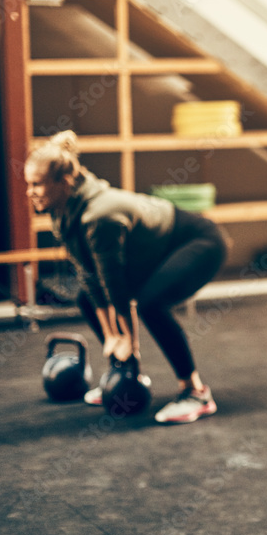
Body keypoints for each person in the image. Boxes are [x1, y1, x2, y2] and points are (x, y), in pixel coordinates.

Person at [25, 130, 226, 424]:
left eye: (36, 184)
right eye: (28, 184)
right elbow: (90, 277)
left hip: (198, 241)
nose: (30, 191)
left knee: (150, 303)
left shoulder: (98, 216)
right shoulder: (62, 209)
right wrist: (113, 339)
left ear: (63, 182)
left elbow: (114, 285)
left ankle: (196, 393)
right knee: (85, 298)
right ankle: (125, 375)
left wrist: (125, 338)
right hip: (155, 248)